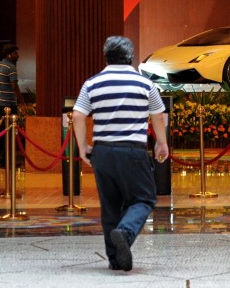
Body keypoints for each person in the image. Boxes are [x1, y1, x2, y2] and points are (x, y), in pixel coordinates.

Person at [72, 36, 169, 272]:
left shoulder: (92, 83)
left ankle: (115, 260)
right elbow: (158, 115)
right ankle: (124, 233)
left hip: (102, 152)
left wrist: (83, 145)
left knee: (110, 206)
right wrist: (161, 143)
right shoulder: (145, 83)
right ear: (130, 56)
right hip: (132, 150)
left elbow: (77, 115)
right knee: (144, 198)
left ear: (106, 56)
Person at [0, 44, 25, 165]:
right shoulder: (11, 67)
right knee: (7, 131)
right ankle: (1, 158)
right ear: (9, 54)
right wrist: (22, 102)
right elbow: (14, 86)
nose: (17, 55)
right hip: (9, 104)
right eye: (15, 53)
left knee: (0, 131)